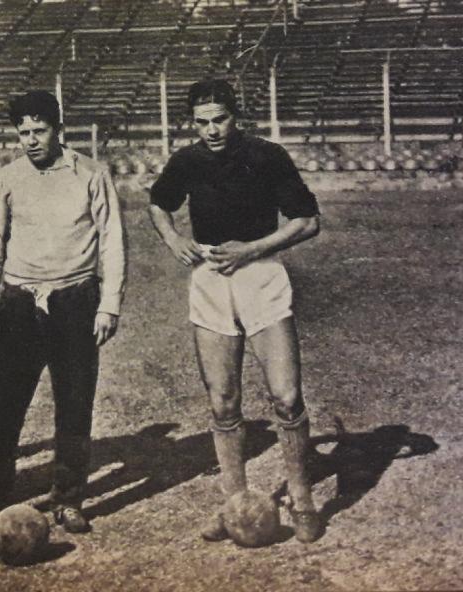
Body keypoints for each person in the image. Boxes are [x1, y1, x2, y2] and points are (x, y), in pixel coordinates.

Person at [147, 79, 325, 543]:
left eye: (219, 119)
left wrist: (251, 249)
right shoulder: (186, 161)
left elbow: (308, 221)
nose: (211, 130)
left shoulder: (266, 156)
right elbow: (158, 204)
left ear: (235, 116)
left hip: (262, 276)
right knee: (223, 403)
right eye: (202, 122)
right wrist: (174, 240)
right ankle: (234, 504)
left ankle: (303, 499)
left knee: (286, 396)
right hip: (210, 281)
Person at [0, 90, 126, 537]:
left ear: (59, 130)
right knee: (1, 404)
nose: (31, 140)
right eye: (24, 132)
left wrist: (110, 303)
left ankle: (69, 498)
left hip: (75, 300)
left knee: (74, 403)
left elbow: (112, 240)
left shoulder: (91, 174)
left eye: (40, 131)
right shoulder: (9, 178)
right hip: (18, 301)